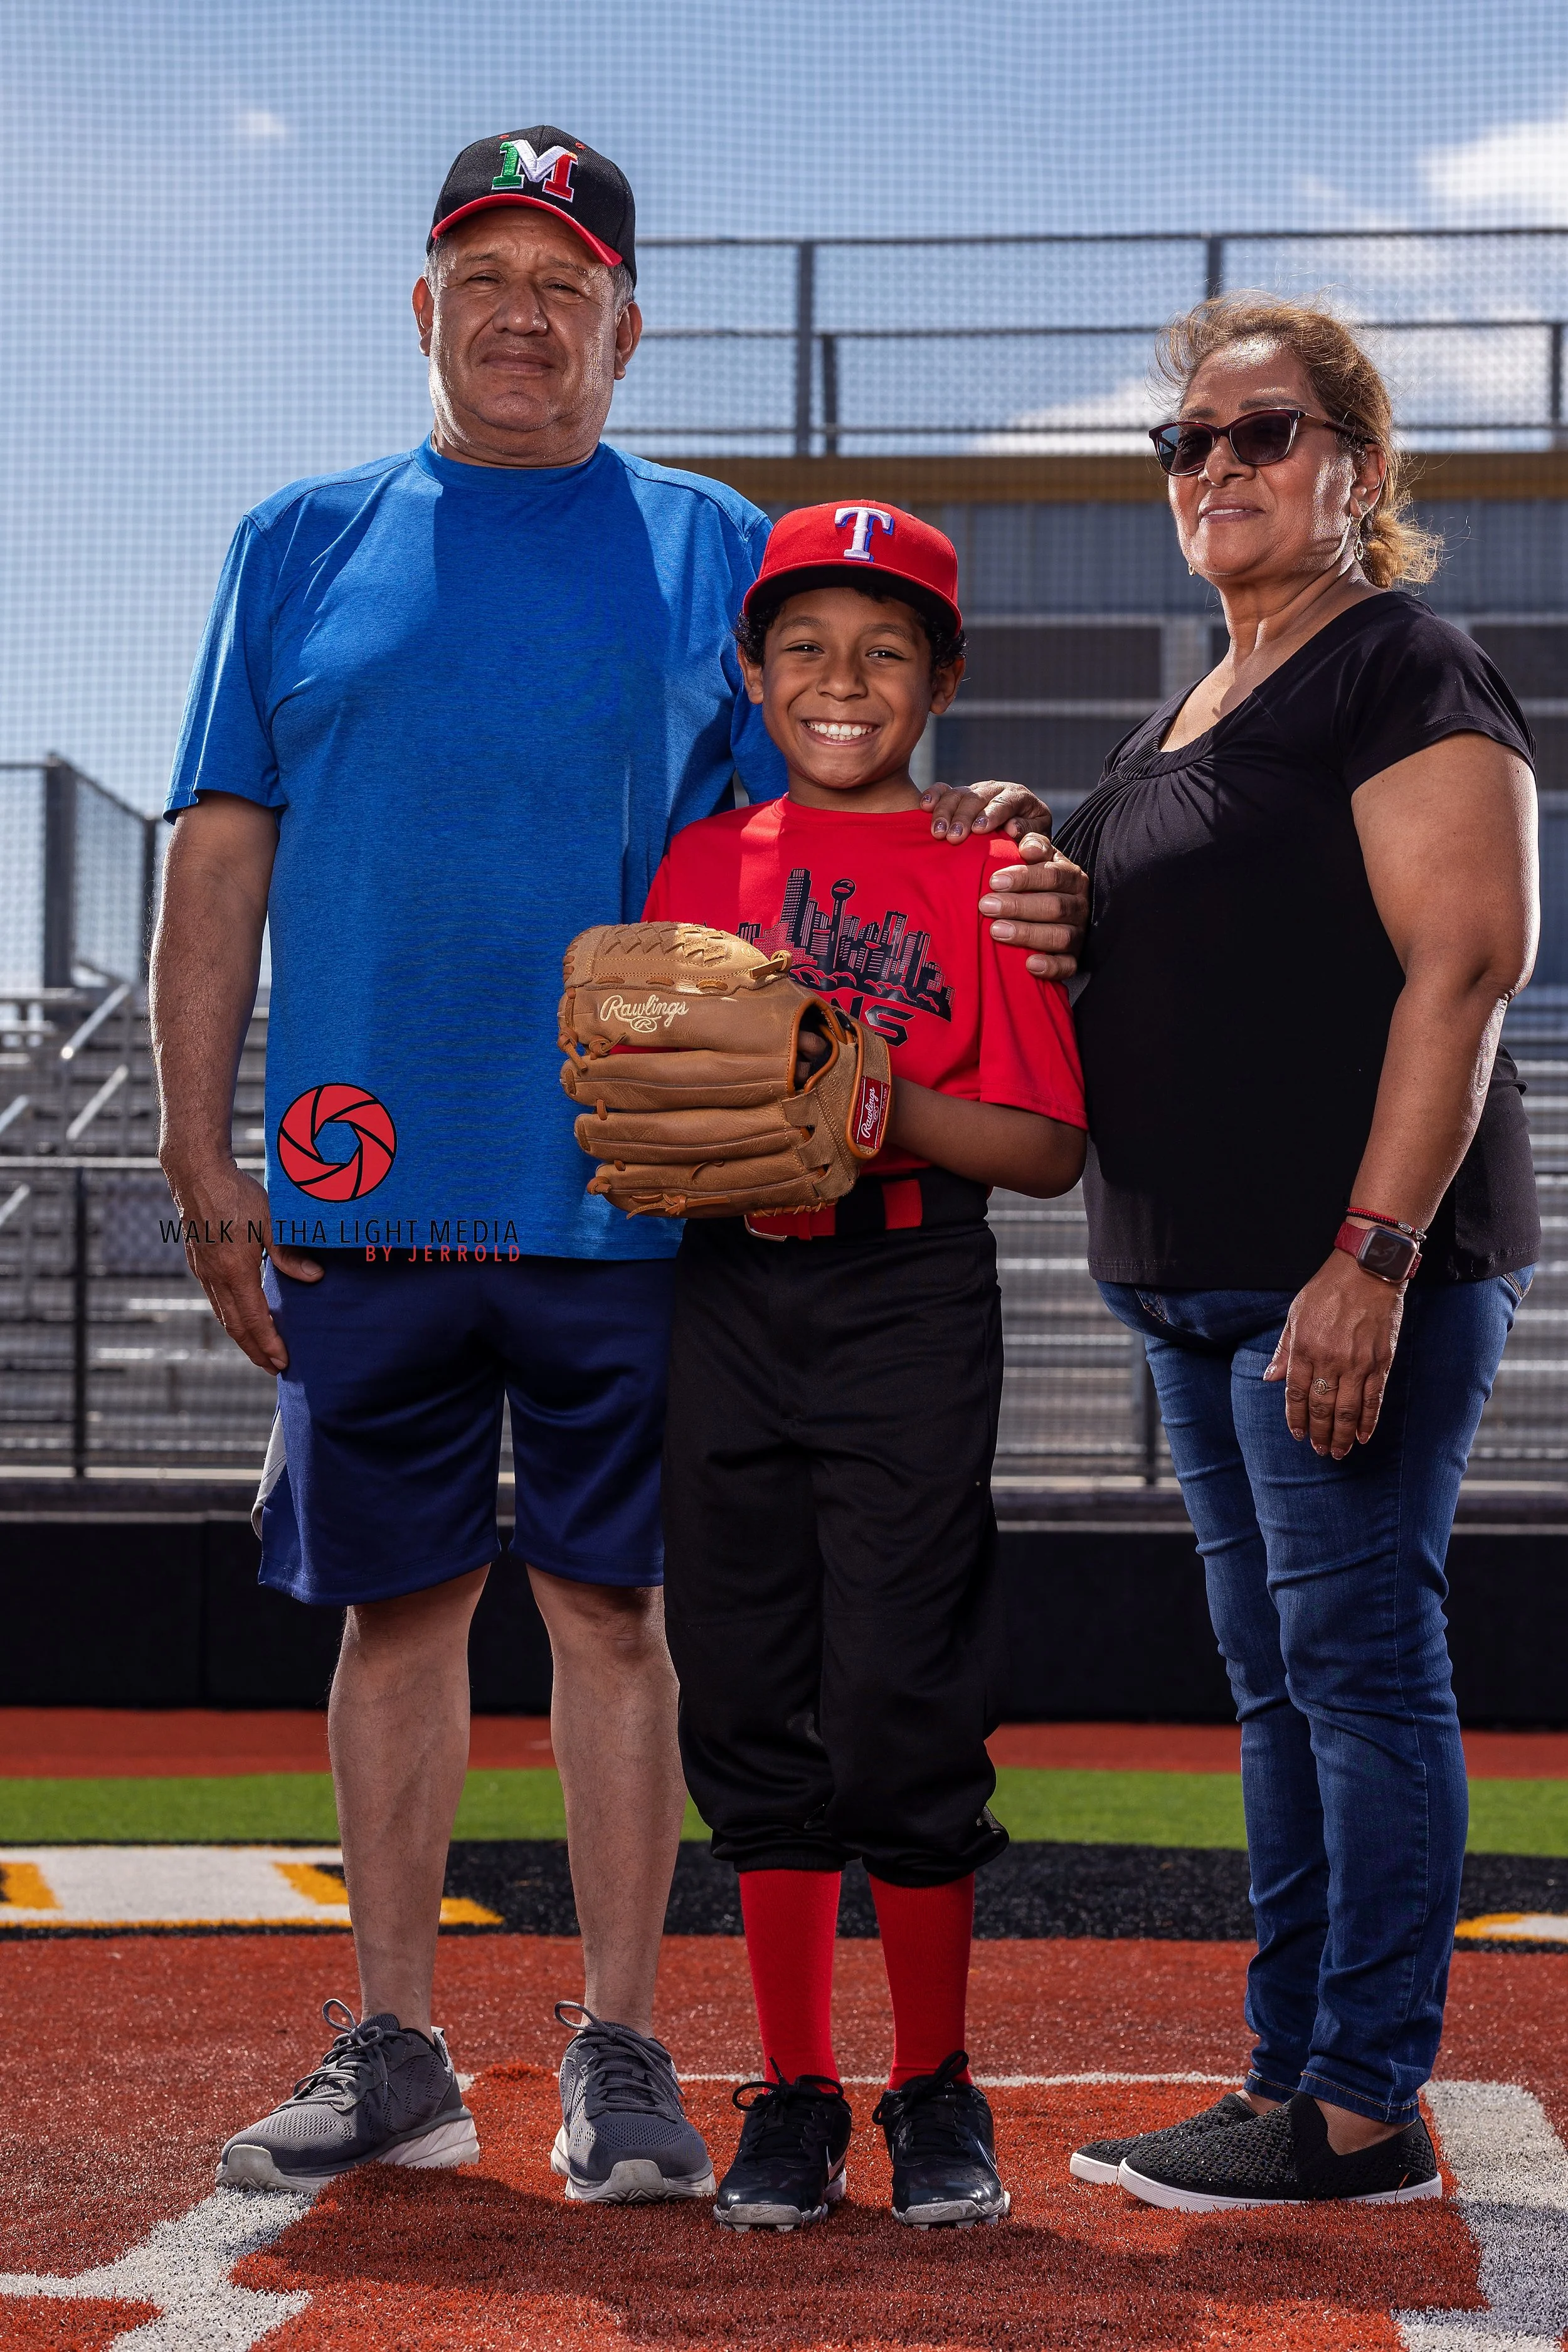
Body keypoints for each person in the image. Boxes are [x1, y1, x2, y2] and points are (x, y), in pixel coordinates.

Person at [149, 128, 1063, 2202]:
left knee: (614, 1616)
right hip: (363, 1176)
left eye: (563, 283)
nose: (521, 313)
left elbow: (828, 812)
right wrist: (197, 1139)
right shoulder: (297, 538)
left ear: (626, 329)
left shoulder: (710, 545)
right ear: (422, 308)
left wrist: (984, 841)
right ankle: (394, 2043)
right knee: (390, 1617)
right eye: (484, 272)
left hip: (632, 1192)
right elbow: (222, 844)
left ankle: (625, 2049)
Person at [1053, 295, 1539, 2212]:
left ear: (1354, 463)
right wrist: (1031, 842)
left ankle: (1351, 2102)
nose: (1219, 468)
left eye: (1262, 433)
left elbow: (1468, 960)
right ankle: (1290, 2071)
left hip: (1334, 1272)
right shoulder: (1182, 710)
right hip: (1185, 1278)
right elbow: (1095, 909)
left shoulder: (1397, 662)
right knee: (1280, 1678)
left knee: (1351, 1664)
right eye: (1189, 442)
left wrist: (1369, 1255)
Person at [640, 502, 1088, 2230]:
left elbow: (1044, 1146)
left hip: (906, 1286)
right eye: (807, 647)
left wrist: (866, 1102)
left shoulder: (993, 873)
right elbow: (640, 1100)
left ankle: (932, 2081)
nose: (843, 680)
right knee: (750, 1684)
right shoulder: (699, 870)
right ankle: (796, 2088)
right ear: (752, 674)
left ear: (943, 676)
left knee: (902, 1687)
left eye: (885, 647)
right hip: (724, 1289)